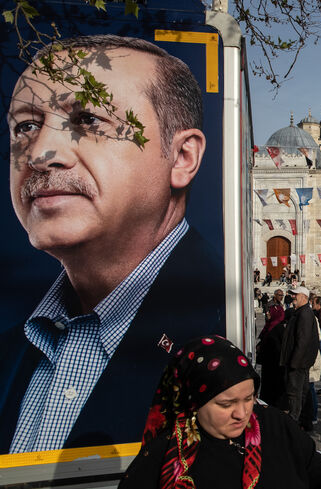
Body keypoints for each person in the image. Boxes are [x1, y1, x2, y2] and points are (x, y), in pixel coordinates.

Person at [0, 35, 226, 453]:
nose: (40, 154)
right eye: (26, 126)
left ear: (182, 158)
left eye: (88, 120)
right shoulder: (13, 347)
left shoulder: (214, 328)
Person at [118, 335, 321, 488]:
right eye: (226, 404)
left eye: (249, 399)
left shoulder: (276, 425)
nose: (242, 413)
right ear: (193, 402)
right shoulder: (162, 456)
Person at [279, 286, 318, 421]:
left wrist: (294, 362)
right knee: (301, 392)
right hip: (299, 362)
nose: (293, 297)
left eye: (296, 295)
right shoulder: (301, 312)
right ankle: (305, 421)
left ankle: (294, 422)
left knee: (295, 393)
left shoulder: (304, 314)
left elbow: (303, 340)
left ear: (304, 297)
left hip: (298, 363)